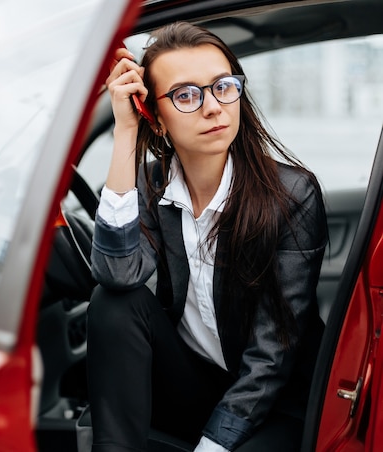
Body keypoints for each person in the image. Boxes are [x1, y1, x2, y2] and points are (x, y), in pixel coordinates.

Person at [87, 22, 328, 452]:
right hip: (195, 385)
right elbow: (117, 274)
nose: (214, 107)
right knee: (114, 305)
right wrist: (125, 131)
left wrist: (213, 444)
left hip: (273, 401)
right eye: (185, 95)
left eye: (223, 86)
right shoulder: (149, 185)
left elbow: (274, 351)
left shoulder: (292, 195)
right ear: (156, 120)